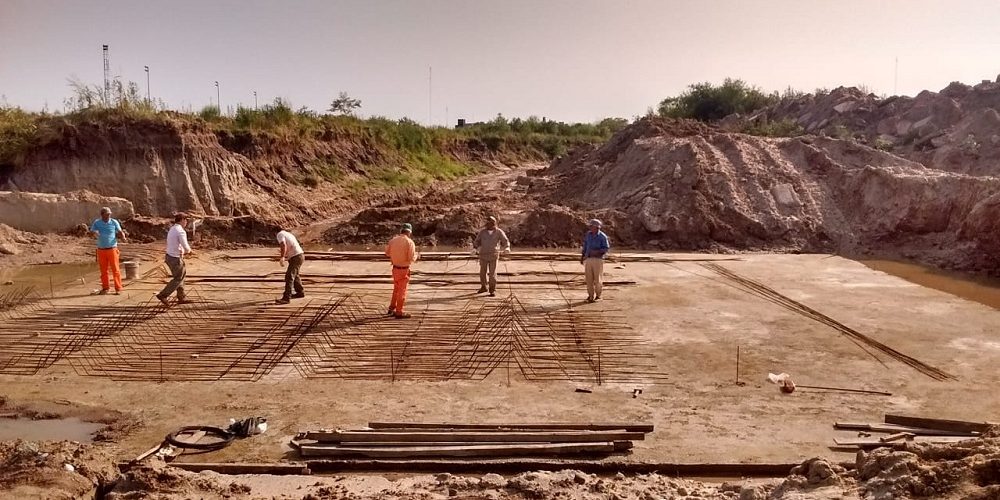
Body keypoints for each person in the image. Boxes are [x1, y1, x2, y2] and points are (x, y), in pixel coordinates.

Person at [156, 213, 193, 306]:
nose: (186, 222)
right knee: (178, 278)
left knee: (181, 276)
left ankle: (181, 296)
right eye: (186, 220)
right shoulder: (180, 231)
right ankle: (163, 295)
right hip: (175, 258)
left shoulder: (173, 229)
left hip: (170, 256)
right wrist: (189, 251)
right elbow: (185, 244)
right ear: (182, 220)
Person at [89, 207, 127, 295]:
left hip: (112, 249)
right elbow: (91, 232)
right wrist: (94, 233)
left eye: (109, 214)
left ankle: (118, 288)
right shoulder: (97, 222)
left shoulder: (114, 222)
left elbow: (120, 231)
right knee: (103, 270)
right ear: (102, 215)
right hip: (101, 250)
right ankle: (106, 288)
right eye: (107, 214)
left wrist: (123, 237)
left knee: (115, 269)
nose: (108, 216)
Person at [385, 223, 418, 319]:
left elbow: (387, 253)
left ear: (401, 231)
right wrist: (417, 257)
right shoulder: (410, 242)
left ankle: (391, 308)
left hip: (395, 269)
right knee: (402, 291)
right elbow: (411, 258)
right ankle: (399, 312)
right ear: (409, 232)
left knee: (396, 289)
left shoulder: (392, 240)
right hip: (404, 269)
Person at [472, 216, 511, 297]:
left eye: (490, 223)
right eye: (487, 224)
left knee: (492, 274)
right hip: (483, 255)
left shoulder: (499, 232)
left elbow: (505, 241)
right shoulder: (482, 232)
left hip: (494, 255)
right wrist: (474, 249)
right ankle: (483, 287)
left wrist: (507, 247)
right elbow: (477, 241)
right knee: (482, 273)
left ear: (493, 224)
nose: (488, 225)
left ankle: (492, 289)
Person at [580, 219, 611, 303]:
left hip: (598, 259)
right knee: (588, 279)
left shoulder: (602, 236)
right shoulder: (588, 235)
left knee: (597, 279)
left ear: (597, 227)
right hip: (588, 258)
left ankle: (598, 296)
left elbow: (606, 248)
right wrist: (582, 256)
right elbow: (585, 246)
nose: (590, 227)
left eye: (591, 226)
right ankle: (590, 296)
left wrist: (596, 252)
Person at [274, 228, 305, 304]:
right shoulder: (288, 234)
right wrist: (285, 254)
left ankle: (286, 298)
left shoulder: (280, 234)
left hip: (296, 257)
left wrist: (282, 257)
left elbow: (283, 245)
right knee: (295, 275)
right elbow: (290, 245)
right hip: (300, 255)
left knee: (289, 276)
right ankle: (300, 292)